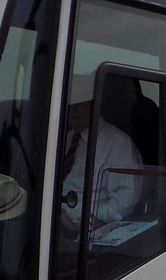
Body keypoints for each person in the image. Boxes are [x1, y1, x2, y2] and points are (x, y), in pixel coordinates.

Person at [60, 73, 142, 234]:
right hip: (52, 222)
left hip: (88, 232)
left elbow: (126, 198)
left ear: (93, 105)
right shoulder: (66, 139)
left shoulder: (118, 143)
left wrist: (86, 221)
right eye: (70, 107)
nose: (73, 113)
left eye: (79, 106)